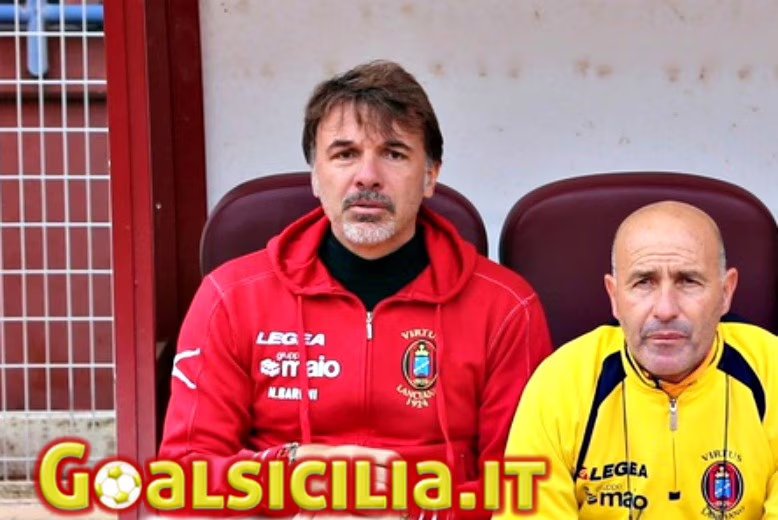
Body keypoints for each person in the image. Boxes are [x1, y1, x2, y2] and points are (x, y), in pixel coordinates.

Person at [158, 60, 552, 517]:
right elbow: (184, 479)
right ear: (314, 175)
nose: (367, 176)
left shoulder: (506, 307)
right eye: (345, 154)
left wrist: (413, 514)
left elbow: (524, 487)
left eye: (394, 153)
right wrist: (290, 474)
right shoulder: (229, 298)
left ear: (430, 176)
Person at [496, 201, 778, 519]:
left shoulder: (772, 369)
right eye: (644, 282)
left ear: (726, 292)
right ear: (614, 296)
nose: (666, 309)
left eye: (688, 281)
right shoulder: (560, 382)